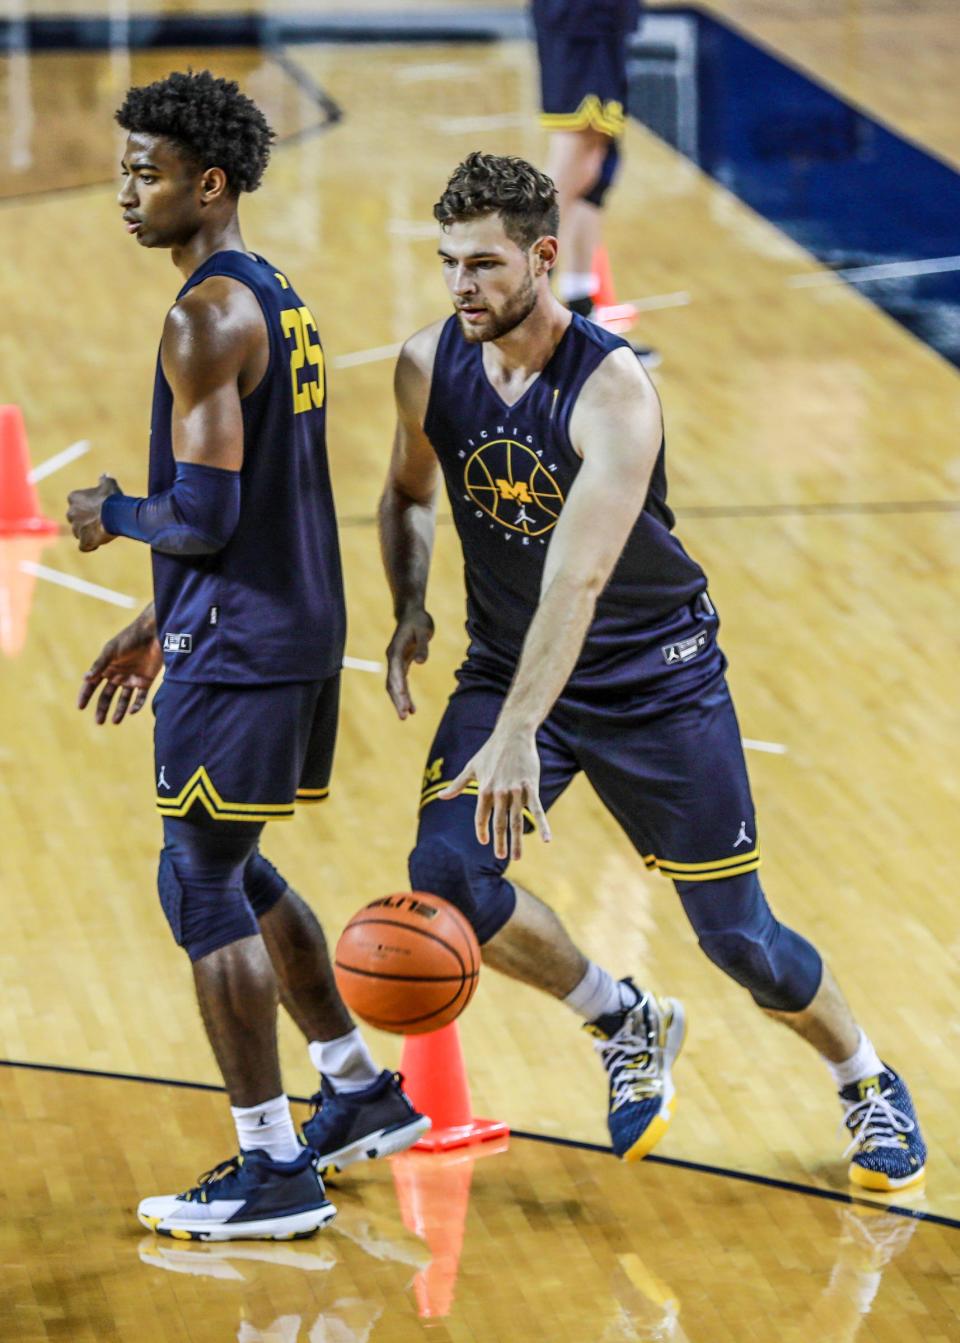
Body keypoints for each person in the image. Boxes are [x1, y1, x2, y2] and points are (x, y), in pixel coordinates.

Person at [377, 150, 926, 1191]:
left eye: (485, 265)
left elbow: (576, 587)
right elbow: (406, 491)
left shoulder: (613, 391)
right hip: (507, 663)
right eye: (448, 263)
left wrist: (515, 732)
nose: (461, 287)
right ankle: (621, 1017)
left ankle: (864, 1077)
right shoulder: (426, 361)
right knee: (446, 875)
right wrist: (410, 601)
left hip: (651, 678)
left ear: (546, 258)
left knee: (740, 939)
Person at [66, 70, 427, 1242]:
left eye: (146, 171)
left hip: (248, 638)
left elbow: (208, 514)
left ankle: (273, 1163)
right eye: (125, 167)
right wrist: (152, 619)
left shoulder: (203, 314)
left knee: (198, 878)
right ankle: (357, 1087)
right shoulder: (274, 294)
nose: (127, 191)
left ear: (207, 183)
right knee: (239, 863)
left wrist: (116, 512)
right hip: (272, 623)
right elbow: (254, 499)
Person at [531, 0, 659, 366]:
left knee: (594, 167)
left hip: (606, 18)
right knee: (573, 155)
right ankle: (524, 307)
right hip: (580, 18)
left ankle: (581, 312)